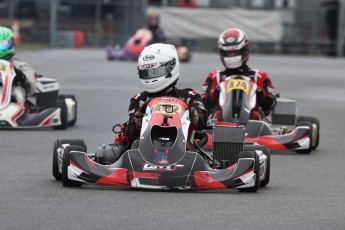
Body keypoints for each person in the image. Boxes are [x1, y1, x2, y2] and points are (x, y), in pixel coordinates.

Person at [113, 43, 207, 155]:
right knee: (134, 145)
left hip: (184, 151)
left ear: (171, 67)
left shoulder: (189, 96)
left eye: (155, 71)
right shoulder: (139, 99)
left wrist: (194, 118)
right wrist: (138, 124)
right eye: (147, 72)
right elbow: (130, 133)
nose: (151, 76)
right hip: (145, 152)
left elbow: (203, 122)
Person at [201, 28, 276, 120]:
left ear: (244, 50)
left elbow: (271, 104)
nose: (232, 56)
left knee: (256, 115)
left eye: (235, 52)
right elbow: (202, 105)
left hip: (253, 124)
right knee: (217, 114)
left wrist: (259, 93)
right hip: (220, 123)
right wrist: (216, 92)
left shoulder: (259, 76)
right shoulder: (215, 76)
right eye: (229, 53)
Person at [0, 26, 36, 106]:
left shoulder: (19, 65)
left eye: (1, 45)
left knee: (16, 91)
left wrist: (22, 77)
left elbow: (31, 89)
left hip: (9, 101)